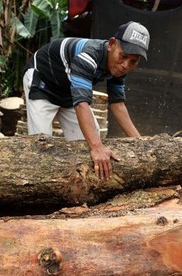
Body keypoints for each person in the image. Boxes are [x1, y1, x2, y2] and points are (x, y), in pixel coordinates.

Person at [23, 21, 150, 180]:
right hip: (44, 83)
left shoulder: (118, 67)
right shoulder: (88, 55)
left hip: (68, 90)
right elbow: (81, 103)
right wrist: (97, 147)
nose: (125, 65)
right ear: (111, 44)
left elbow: (117, 104)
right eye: (123, 56)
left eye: (133, 61)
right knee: (41, 146)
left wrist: (141, 143)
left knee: (87, 140)